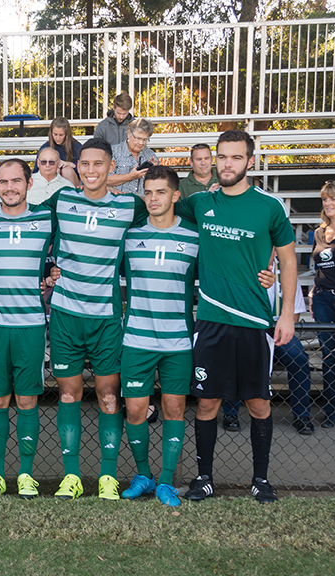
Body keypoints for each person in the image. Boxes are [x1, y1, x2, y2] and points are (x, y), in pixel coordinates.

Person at [177, 129, 298, 504]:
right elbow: (160, 208)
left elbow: (289, 260)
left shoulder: (270, 207)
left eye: (235, 157)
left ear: (249, 160)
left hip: (255, 321)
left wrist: (287, 314)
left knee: (258, 403)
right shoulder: (200, 203)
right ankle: (204, 477)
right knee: (208, 402)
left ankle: (260, 480)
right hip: (212, 319)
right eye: (222, 157)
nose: (227, 164)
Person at [38, 138, 147, 501]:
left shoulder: (130, 207)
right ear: (77, 166)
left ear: (111, 168)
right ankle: (71, 477)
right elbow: (28, 219)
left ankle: (107, 476)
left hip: (105, 319)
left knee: (108, 396)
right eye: (84, 164)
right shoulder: (62, 200)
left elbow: (166, 218)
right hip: (67, 316)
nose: (90, 170)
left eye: (98, 164)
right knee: (68, 393)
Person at [0, 158, 55, 499]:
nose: (9, 188)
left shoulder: (47, 218)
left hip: (31, 325)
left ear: (29, 183)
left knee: (27, 400)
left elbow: (63, 252)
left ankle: (24, 474)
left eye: (16, 181)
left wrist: (51, 273)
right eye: (3, 182)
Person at [116, 165, 198, 507]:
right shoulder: (131, 236)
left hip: (178, 339)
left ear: (175, 196)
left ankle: (166, 481)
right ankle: (143, 474)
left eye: (161, 192)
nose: (153, 198)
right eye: (148, 192)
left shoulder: (194, 237)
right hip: (136, 338)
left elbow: (217, 273)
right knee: (135, 410)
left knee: (174, 408)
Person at [222, 253, 313, 435]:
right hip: (248, 329)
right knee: (235, 358)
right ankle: (230, 413)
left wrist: (282, 327)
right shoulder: (245, 266)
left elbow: (295, 314)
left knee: (299, 358)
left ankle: (302, 416)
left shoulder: (286, 271)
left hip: (277, 330)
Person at [308, 179, 335, 428]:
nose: (328, 202)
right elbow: (319, 267)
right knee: (330, 358)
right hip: (323, 299)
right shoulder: (319, 232)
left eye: (333, 198)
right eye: (325, 199)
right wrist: (313, 291)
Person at [107, 118, 158, 195]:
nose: (141, 143)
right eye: (138, 138)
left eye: (145, 139)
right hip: (118, 203)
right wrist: (130, 176)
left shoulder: (151, 155)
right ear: (128, 134)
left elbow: (157, 185)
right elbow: (105, 180)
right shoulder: (113, 152)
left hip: (142, 203)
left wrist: (154, 172)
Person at [33, 117, 81, 186]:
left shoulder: (76, 147)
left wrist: (71, 165)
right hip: (49, 181)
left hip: (72, 179)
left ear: (66, 134)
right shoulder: (45, 147)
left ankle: (70, 195)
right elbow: (36, 170)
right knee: (55, 170)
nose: (57, 138)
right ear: (51, 133)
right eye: (55, 134)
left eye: (61, 135)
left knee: (66, 170)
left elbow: (85, 169)